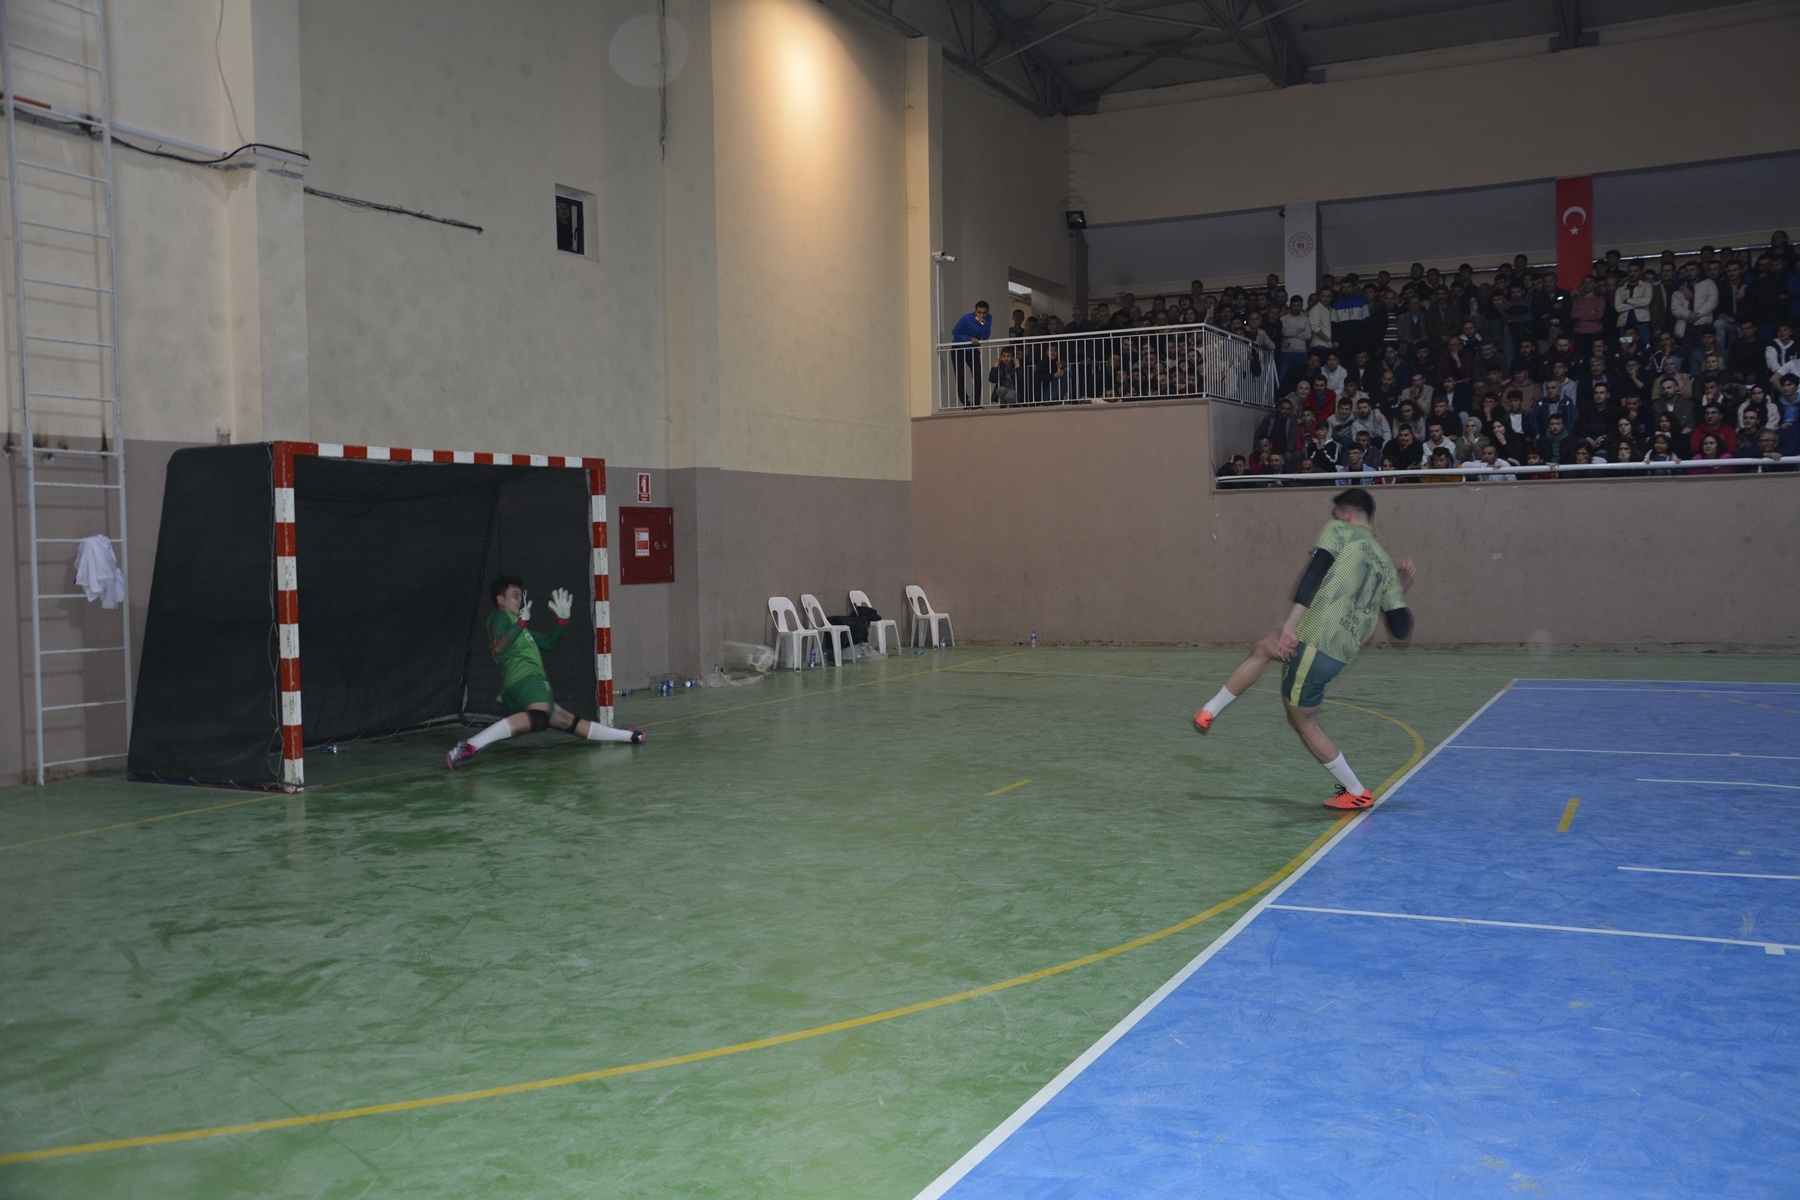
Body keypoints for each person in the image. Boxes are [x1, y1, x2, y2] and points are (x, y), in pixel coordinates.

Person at [1192, 488, 1416, 811]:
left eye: (1336, 514)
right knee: (1265, 647)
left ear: (1347, 515)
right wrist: (1397, 586)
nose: (1334, 519)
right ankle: (1210, 710)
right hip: (1340, 654)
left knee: (1304, 721)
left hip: (1314, 641)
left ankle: (1357, 791)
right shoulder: (1384, 563)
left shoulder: (1339, 530)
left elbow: (1314, 573)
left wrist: (1290, 625)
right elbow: (1401, 629)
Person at [449, 577, 643, 769]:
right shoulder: (500, 617)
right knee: (540, 717)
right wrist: (521, 623)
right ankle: (471, 745)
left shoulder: (521, 630)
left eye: (520, 596)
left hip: (517, 689)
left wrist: (562, 620)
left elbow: (550, 643)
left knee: (568, 721)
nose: (520, 600)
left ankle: (630, 736)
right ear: (500, 599)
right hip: (526, 680)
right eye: (515, 596)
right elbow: (498, 646)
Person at [950, 301, 992, 406]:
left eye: (984, 313)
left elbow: (985, 337)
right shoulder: (966, 318)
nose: (981, 315)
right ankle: (966, 403)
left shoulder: (988, 319)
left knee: (977, 375)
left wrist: (984, 324)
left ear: (987, 312)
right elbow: (955, 332)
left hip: (972, 349)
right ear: (975, 311)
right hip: (958, 348)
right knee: (960, 376)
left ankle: (976, 403)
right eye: (979, 312)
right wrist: (970, 338)